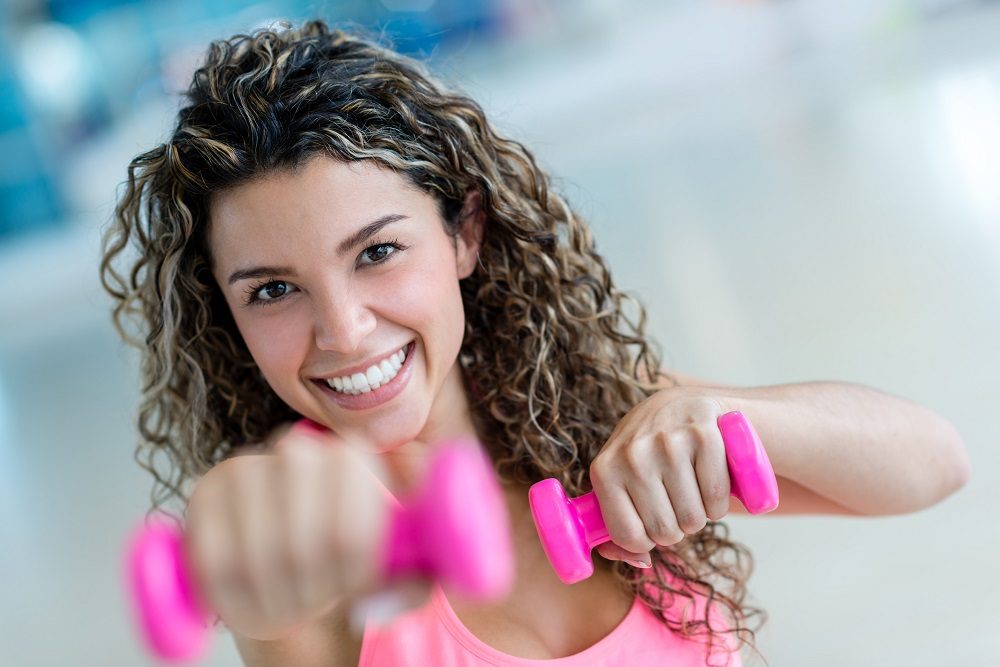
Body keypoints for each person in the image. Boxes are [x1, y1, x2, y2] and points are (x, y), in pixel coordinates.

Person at [100, 20, 970, 667]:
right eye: (274, 289)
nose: (345, 331)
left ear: (465, 234)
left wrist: (715, 416)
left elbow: (935, 462)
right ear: (228, 313)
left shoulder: (589, 406)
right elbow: (248, 531)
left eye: (377, 252)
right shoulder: (308, 542)